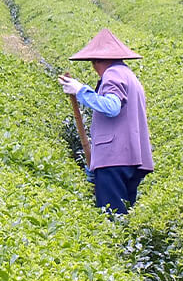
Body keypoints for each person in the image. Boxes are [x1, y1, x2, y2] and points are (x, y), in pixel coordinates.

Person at [58, 28, 154, 214]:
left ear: (97, 61)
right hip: (130, 157)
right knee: (124, 213)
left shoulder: (113, 74)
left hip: (115, 158)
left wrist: (80, 91)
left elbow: (111, 107)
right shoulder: (128, 75)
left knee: (112, 217)